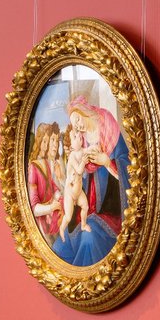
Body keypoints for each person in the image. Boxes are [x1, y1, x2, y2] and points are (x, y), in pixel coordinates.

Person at [49, 95, 129, 267]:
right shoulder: (82, 138)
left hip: (112, 204)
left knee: (88, 238)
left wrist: (107, 161)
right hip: (89, 200)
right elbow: (82, 172)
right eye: (74, 123)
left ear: (84, 111)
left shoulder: (106, 122)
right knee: (59, 247)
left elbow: (126, 163)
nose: (77, 125)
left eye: (77, 119)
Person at [26, 123, 64, 241]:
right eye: (44, 142)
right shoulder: (33, 167)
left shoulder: (46, 163)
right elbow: (34, 208)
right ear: (38, 141)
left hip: (51, 217)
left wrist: (59, 196)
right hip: (41, 222)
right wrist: (51, 208)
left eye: (47, 142)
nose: (45, 146)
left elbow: (52, 185)